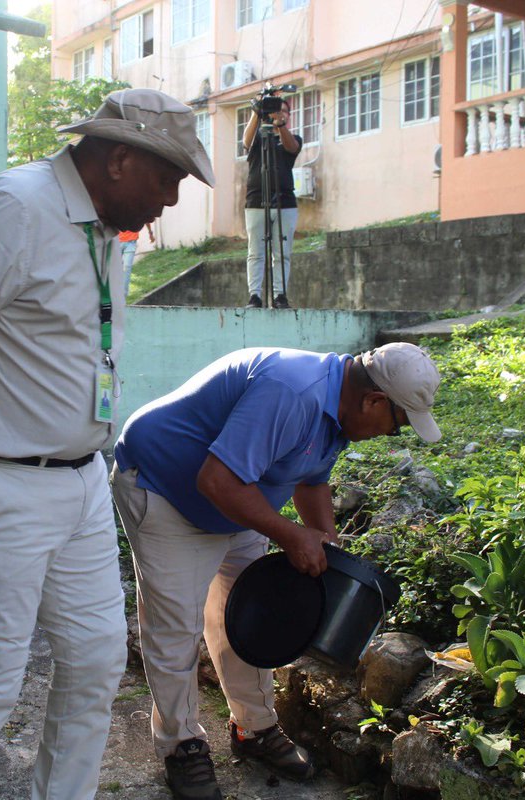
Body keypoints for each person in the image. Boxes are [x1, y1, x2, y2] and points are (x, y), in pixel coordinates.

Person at [0, 88, 214, 800]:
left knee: (98, 662)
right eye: (168, 181)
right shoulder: (12, 209)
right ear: (121, 160)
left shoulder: (106, 231)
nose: (170, 201)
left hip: (82, 485)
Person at [111, 343, 442, 800]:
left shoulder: (339, 409)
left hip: (239, 501)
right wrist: (290, 535)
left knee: (250, 616)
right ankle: (181, 744)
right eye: (397, 425)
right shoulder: (293, 390)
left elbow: (311, 478)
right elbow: (216, 481)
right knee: (175, 627)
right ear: (375, 401)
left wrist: (324, 540)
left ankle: (254, 727)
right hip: (166, 486)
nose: (391, 435)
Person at [243, 93, 302, 309]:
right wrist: (256, 113)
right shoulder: (259, 137)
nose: (278, 113)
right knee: (255, 251)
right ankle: (254, 296)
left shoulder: (292, 138)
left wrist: (281, 125)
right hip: (256, 200)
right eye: (275, 110)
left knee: (282, 252)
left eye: (283, 110)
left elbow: (292, 148)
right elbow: (246, 142)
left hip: (285, 202)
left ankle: (280, 295)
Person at [120, 221, 155, 295]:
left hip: (131, 242)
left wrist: (150, 233)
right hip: (117, 240)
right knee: (114, 268)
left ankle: (124, 294)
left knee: (127, 267)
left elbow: (146, 218)